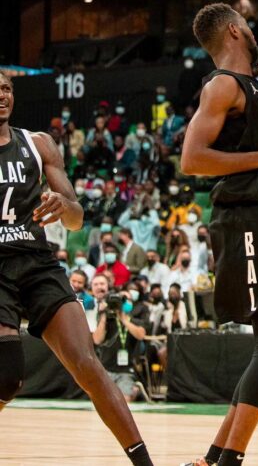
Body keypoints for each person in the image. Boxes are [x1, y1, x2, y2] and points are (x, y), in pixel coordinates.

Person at [0, 73, 155, 465]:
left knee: (88, 366)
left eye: (6, 89)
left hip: (37, 261)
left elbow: (76, 217)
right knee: (7, 376)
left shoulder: (38, 145)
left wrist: (62, 205)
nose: (1, 96)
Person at [179, 3, 258, 466]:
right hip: (244, 216)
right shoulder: (223, 84)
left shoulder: (255, 88)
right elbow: (193, 160)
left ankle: (214, 461)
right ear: (234, 30)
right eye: (247, 25)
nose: (254, 32)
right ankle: (224, 462)